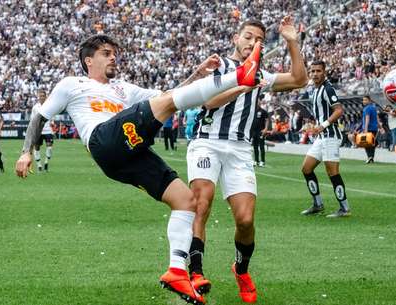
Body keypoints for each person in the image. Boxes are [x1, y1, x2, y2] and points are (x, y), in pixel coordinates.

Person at [15, 34, 263, 305]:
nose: (113, 57)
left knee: (186, 200)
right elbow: (40, 115)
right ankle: (240, 75)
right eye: (106, 53)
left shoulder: (124, 89)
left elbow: (169, 97)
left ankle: (177, 270)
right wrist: (26, 151)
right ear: (89, 60)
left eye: (114, 53)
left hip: (126, 154)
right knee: (167, 107)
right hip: (103, 139)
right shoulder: (72, 84)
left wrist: (196, 74)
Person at [186, 17, 307, 303]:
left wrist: (291, 40)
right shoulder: (219, 66)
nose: (253, 43)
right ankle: (196, 272)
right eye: (248, 37)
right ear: (236, 39)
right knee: (201, 203)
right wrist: (244, 84)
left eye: (259, 40)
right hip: (207, 143)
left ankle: (241, 269)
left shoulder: (262, 74)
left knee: (245, 219)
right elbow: (209, 102)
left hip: (240, 149)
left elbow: (299, 79)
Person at [300, 60, 351, 218]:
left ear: (324, 72)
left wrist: (322, 125)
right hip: (321, 137)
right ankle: (318, 204)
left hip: (330, 136)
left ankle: (344, 208)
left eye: (318, 71)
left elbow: (339, 110)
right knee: (306, 168)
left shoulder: (328, 89)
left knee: (332, 172)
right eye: (313, 71)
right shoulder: (315, 90)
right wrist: (312, 126)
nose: (315, 74)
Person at [31, 89, 55, 172]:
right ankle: (39, 166)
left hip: (48, 130)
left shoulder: (50, 106)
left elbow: (52, 117)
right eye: (40, 96)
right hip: (38, 131)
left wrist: (52, 122)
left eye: (43, 96)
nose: (41, 97)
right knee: (37, 148)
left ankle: (46, 163)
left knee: (49, 147)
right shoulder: (35, 108)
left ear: (46, 97)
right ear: (38, 97)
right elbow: (32, 120)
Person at [251, 99, 270, 167]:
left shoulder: (263, 111)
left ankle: (262, 161)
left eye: (258, 102)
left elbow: (267, 120)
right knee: (255, 146)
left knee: (261, 146)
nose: (257, 103)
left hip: (261, 131)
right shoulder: (252, 111)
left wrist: (266, 128)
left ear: (260, 103)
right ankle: (256, 160)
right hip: (254, 131)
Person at [361, 95, 378, 163]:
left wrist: (365, 129)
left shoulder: (366, 109)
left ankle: (369, 157)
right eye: (363, 100)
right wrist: (380, 127)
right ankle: (371, 157)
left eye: (365, 100)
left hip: (369, 128)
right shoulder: (373, 108)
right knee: (372, 144)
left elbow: (367, 119)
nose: (364, 101)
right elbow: (377, 118)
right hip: (374, 128)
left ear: (369, 100)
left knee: (366, 143)